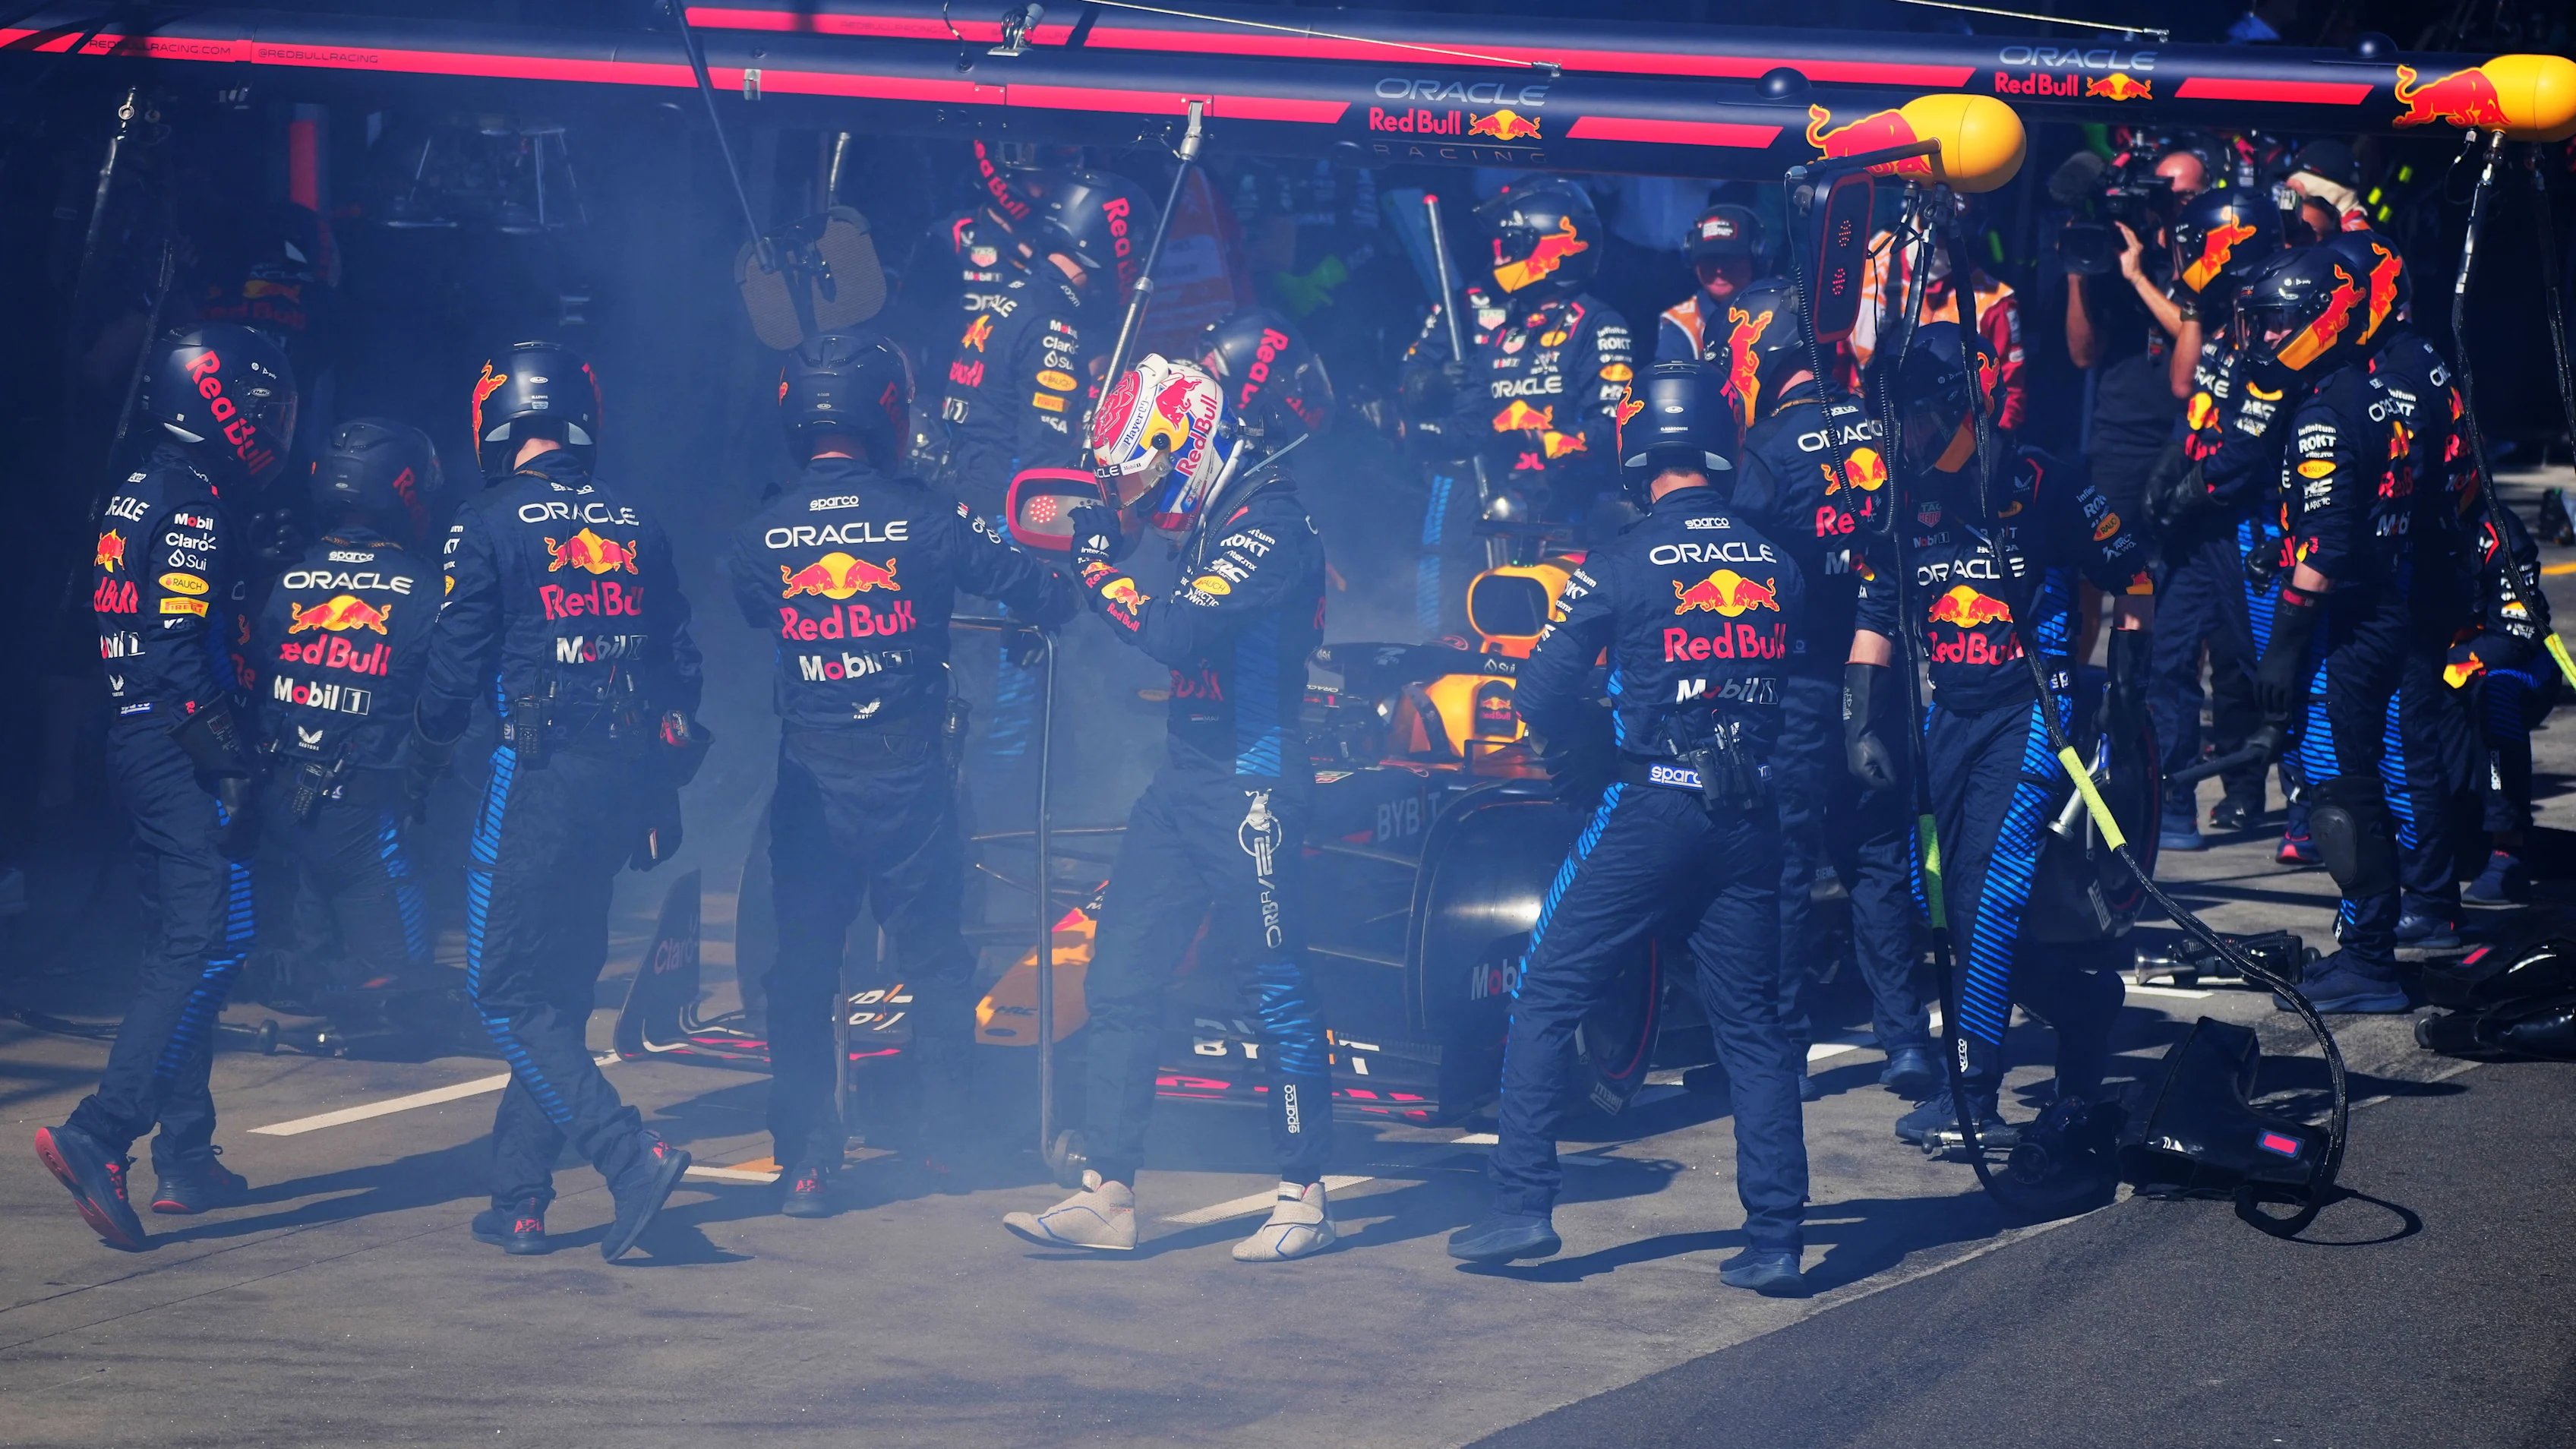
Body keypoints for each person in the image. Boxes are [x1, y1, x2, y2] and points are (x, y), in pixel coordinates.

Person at [1442, 358, 1808, 1294]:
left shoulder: (1619, 559)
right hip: (1751, 815)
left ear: (1638, 454)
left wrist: (1584, 754)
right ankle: (1776, 1238)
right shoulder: (1776, 564)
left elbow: (1538, 691)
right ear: (1720, 448)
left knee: (1545, 990)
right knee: (1752, 1029)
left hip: (1652, 804)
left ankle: (1521, 1207)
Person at [1002, 349, 1336, 1262]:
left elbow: (1175, 632)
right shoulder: (1217, 520)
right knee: (1118, 976)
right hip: (1184, 780)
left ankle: (1305, 1195)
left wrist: (1095, 566)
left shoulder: (1269, 524)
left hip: (1253, 780)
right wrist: (1104, 549)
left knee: (1273, 986)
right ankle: (1107, 1193)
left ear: (1188, 447)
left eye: (1143, 476)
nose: (1139, 498)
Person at [730, 330, 1073, 1216]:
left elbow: (753, 603)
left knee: (803, 973)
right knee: (935, 963)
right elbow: (1040, 591)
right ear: (887, 409)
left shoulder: (762, 532)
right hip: (910, 781)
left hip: (810, 786)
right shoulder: (929, 519)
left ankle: (809, 1162)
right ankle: (947, 1146)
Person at [409, 342, 706, 1259]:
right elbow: (680, 669)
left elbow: (452, 669)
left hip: (535, 777)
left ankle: (628, 1155)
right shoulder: (636, 520)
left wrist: (422, 753)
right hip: (622, 782)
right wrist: (658, 789)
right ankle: (521, 1198)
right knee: (561, 990)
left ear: (494, 423)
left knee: (501, 992)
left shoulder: (486, 519)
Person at [1845, 324, 2154, 1147]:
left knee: (1988, 893)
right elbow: (1876, 609)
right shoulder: (1901, 494)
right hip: (1946, 713)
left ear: (1958, 406)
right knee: (1935, 897)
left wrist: (2126, 694)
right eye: (1893, 418)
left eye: (1914, 416)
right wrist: (1859, 720)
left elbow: (2132, 573)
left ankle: (1972, 1088)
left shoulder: (2044, 480)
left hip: (2032, 711)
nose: (1903, 433)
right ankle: (2080, 1002)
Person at [36, 324, 296, 1250]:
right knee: (207, 939)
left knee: (178, 946)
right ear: (219, 405)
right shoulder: (192, 506)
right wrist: (234, 762)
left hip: (135, 740)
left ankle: (186, 1152)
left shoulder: (142, 484)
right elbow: (181, 655)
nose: (273, 426)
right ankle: (102, 1132)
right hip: (176, 745)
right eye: (262, 409)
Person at [1716, 279, 1933, 1098]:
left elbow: (1738, 566)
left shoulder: (1766, 449)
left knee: (1785, 865)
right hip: (1881, 676)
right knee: (1878, 860)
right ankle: (1905, 1042)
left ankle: (1784, 1051)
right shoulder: (1880, 426)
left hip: (1801, 686)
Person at [914, 169, 1157, 829]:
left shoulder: (1004, 300)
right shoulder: (1054, 324)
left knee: (962, 701)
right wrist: (1050, 575)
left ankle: (961, 838)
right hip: (1002, 536)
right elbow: (1045, 469)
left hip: (954, 521)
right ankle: (981, 848)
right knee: (1003, 717)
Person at [2238, 247, 2418, 1012]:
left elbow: (2327, 550)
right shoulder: (2368, 390)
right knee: (2348, 783)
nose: (2264, 337)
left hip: (2348, 625)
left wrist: (2280, 653)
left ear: (2321, 319)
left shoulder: (2321, 413)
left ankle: (2370, 962)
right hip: (2381, 607)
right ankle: (2362, 946)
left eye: (2276, 322)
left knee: (2342, 793)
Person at [251, 419, 447, 1037]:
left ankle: (307, 974)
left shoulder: (282, 575)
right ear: (406, 489)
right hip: (361, 808)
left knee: (320, 887)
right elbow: (449, 700)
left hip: (282, 795)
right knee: (404, 978)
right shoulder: (425, 587)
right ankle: (302, 979)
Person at [1397, 178, 1635, 638]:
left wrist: (1535, 440)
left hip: (1562, 503)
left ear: (1555, 246)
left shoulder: (1599, 324)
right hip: (1478, 489)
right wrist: (1425, 401)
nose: (1498, 254)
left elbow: (1613, 430)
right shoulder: (1486, 315)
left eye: (1510, 244)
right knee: (1447, 620)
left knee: (1549, 631)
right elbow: (1442, 401)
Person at [2147, 187, 2285, 849]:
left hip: (2251, 523)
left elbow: (2257, 436)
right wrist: (2171, 470)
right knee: (2168, 662)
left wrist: (2198, 487)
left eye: (2193, 246)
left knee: (2253, 670)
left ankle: (2299, 801)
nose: (2183, 256)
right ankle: (2172, 802)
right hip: (2196, 531)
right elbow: (2190, 393)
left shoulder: (2275, 320)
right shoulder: (2219, 319)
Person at [2066, 148, 2202, 542]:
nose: (2173, 205)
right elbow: (2083, 356)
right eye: (2164, 193)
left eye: (2186, 196)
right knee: (2106, 556)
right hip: (2121, 437)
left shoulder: (2210, 262)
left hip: (2186, 437)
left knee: (2179, 559)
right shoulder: (2126, 252)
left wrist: (2139, 280)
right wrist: (2077, 274)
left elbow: (2195, 330)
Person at [1851, 204, 2027, 431]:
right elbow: (1836, 360)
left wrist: (1967, 448)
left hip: (1942, 440)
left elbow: (2008, 401)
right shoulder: (1869, 259)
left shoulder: (1994, 304)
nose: (1937, 239)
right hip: (1858, 425)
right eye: (1930, 225)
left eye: (1949, 232)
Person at [1656, 203, 1764, 364]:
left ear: (1755, 259)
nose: (1719, 270)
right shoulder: (1681, 323)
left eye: (1729, 259)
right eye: (1710, 259)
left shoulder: (1780, 310)